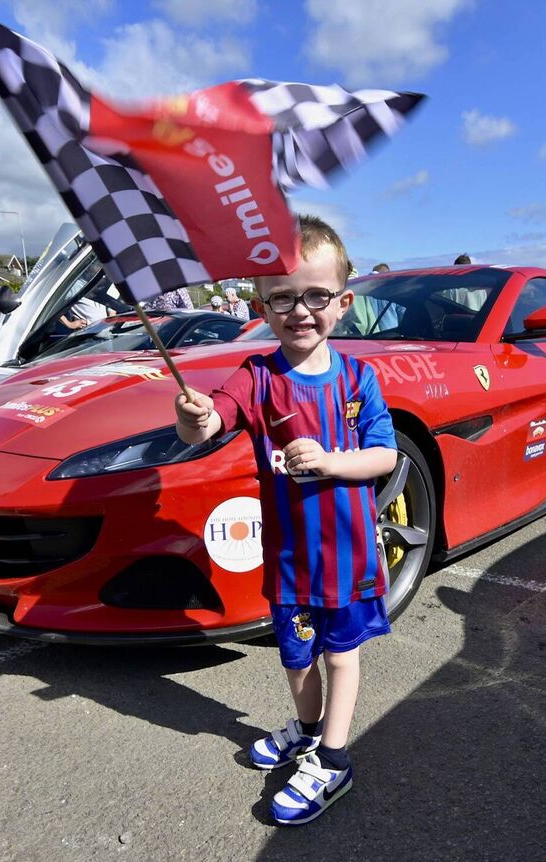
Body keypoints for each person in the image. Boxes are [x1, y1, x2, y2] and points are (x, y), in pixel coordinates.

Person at [173, 214, 397, 826]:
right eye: (282, 298)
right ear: (261, 307)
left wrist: (330, 461)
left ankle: (334, 758)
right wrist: (193, 417)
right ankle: (307, 730)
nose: (300, 310)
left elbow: (385, 454)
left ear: (343, 303)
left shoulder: (359, 379)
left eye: (317, 296)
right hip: (290, 559)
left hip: (348, 556)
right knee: (296, 658)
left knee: (341, 655)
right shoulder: (257, 377)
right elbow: (210, 421)